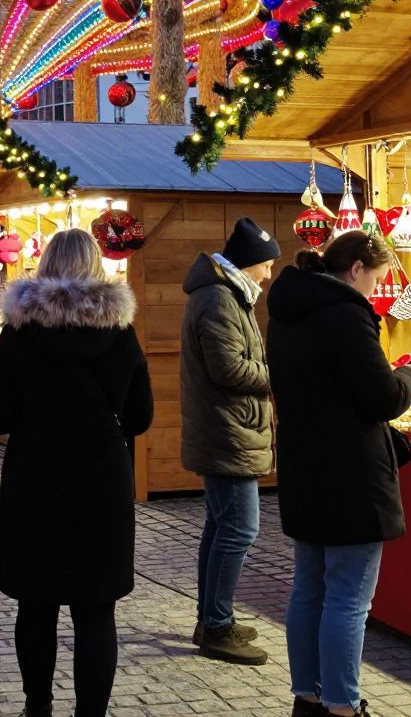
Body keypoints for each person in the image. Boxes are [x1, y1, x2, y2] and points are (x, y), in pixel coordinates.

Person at [0, 228, 152, 717]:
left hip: (35, 480)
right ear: (97, 266)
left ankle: (38, 706)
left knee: (36, 603)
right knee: (96, 609)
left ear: (45, 267)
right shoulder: (120, 332)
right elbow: (139, 418)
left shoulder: (19, 333)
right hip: (101, 483)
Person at [267, 231, 411, 717]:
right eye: (375, 279)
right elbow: (383, 398)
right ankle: (341, 705)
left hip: (303, 467)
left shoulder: (286, 311)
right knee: (349, 600)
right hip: (351, 476)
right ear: (356, 268)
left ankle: (308, 698)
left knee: (309, 588)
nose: (375, 290)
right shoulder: (348, 316)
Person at [180, 217, 281, 666]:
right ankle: (217, 627)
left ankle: (213, 617)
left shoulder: (226, 293)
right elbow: (231, 370)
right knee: (239, 528)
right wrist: (280, 376)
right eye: (266, 265)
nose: (269, 274)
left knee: (221, 527)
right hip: (228, 430)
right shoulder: (220, 297)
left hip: (226, 427)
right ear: (248, 262)